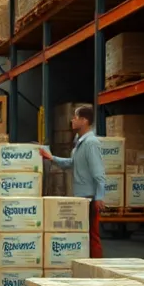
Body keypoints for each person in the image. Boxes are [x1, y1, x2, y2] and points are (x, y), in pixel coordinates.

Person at [39, 103, 105, 259]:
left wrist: (100, 197)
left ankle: (98, 269)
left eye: (75, 117)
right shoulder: (80, 143)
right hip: (81, 196)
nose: (72, 120)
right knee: (84, 234)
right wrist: (51, 158)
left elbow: (99, 173)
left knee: (92, 235)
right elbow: (71, 163)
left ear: (84, 120)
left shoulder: (91, 143)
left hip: (90, 196)